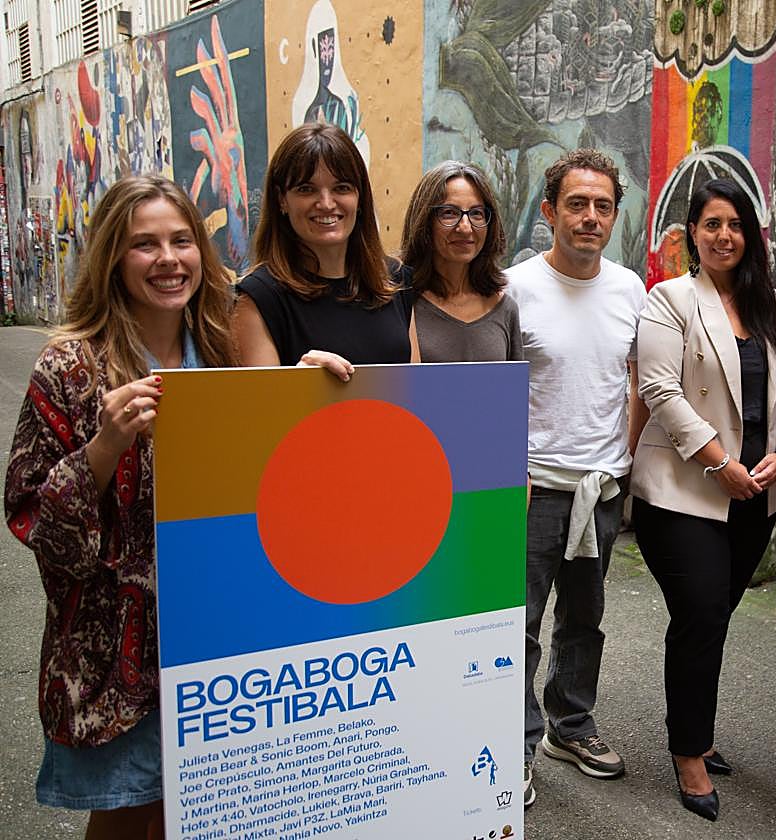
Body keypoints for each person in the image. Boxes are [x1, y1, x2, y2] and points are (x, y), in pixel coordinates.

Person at [4, 175, 237, 839]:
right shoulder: (69, 368)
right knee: (129, 813)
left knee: (211, 810)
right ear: (113, 256)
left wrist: (306, 392)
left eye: (181, 241)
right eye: (144, 244)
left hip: (219, 631)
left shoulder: (224, 352)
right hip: (117, 652)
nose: (168, 259)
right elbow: (35, 519)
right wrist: (105, 446)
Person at [630, 179, 776, 821]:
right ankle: (689, 754)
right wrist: (719, 463)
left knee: (713, 617)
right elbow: (659, 390)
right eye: (712, 224)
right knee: (701, 612)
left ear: (750, 235)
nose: (724, 236)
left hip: (755, 489)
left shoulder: (770, 302)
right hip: (683, 490)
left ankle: (694, 728)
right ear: (692, 234)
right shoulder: (669, 299)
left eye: (735, 225)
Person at [506, 148, 648, 808]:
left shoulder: (629, 289)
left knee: (584, 621)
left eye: (603, 206)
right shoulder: (514, 288)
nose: (591, 217)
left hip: (602, 489)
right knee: (521, 625)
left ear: (614, 216)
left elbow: (638, 380)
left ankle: (570, 726)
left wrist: (626, 458)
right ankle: (514, 743)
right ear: (549, 211)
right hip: (534, 488)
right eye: (577, 204)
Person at [233, 123, 418, 377]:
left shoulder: (395, 280)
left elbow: (416, 390)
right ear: (281, 200)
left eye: (341, 187)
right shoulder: (258, 299)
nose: (326, 203)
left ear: (360, 197)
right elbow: (258, 402)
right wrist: (296, 382)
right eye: (306, 189)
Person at [399, 160, 522, 362]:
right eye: (449, 213)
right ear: (424, 222)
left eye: (476, 213)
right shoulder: (400, 303)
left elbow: (514, 383)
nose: (465, 227)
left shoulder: (505, 309)